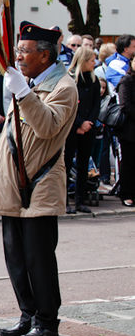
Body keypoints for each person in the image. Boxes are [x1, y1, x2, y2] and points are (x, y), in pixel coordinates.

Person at [0, 21, 78, 336]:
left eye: (25, 51)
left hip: (40, 182)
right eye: (19, 50)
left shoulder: (63, 87)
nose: (19, 56)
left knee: (38, 256)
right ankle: (27, 313)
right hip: (14, 182)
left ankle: (46, 321)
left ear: (45, 55)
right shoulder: (28, 81)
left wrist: (24, 94)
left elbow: (45, 127)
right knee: (15, 255)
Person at [64, 47, 100, 214]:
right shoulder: (70, 79)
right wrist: (79, 123)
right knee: (67, 163)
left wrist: (89, 123)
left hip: (88, 128)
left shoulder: (94, 80)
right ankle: (64, 201)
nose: (94, 63)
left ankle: (80, 200)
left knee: (83, 165)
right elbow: (69, 105)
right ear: (83, 61)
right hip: (72, 128)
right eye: (92, 60)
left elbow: (96, 105)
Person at [116, 57, 135, 207]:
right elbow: (125, 106)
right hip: (130, 130)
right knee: (128, 162)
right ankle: (126, 193)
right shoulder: (126, 81)